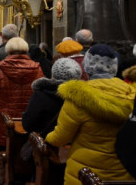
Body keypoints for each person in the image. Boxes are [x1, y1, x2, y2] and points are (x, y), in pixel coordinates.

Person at [46, 44, 136, 185]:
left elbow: (60, 138)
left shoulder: (77, 96)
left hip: (84, 174)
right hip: (124, 174)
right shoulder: (131, 93)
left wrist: (47, 138)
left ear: (86, 67)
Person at [0, 37, 44, 173]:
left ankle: (0, 174)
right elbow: (40, 95)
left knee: (3, 148)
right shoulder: (37, 69)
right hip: (28, 119)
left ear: (8, 50)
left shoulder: (0, 69)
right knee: (25, 151)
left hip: (4, 119)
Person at [22, 58, 82, 137]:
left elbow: (28, 125)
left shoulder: (41, 96)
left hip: (45, 144)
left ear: (53, 73)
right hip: (74, 145)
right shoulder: (83, 98)